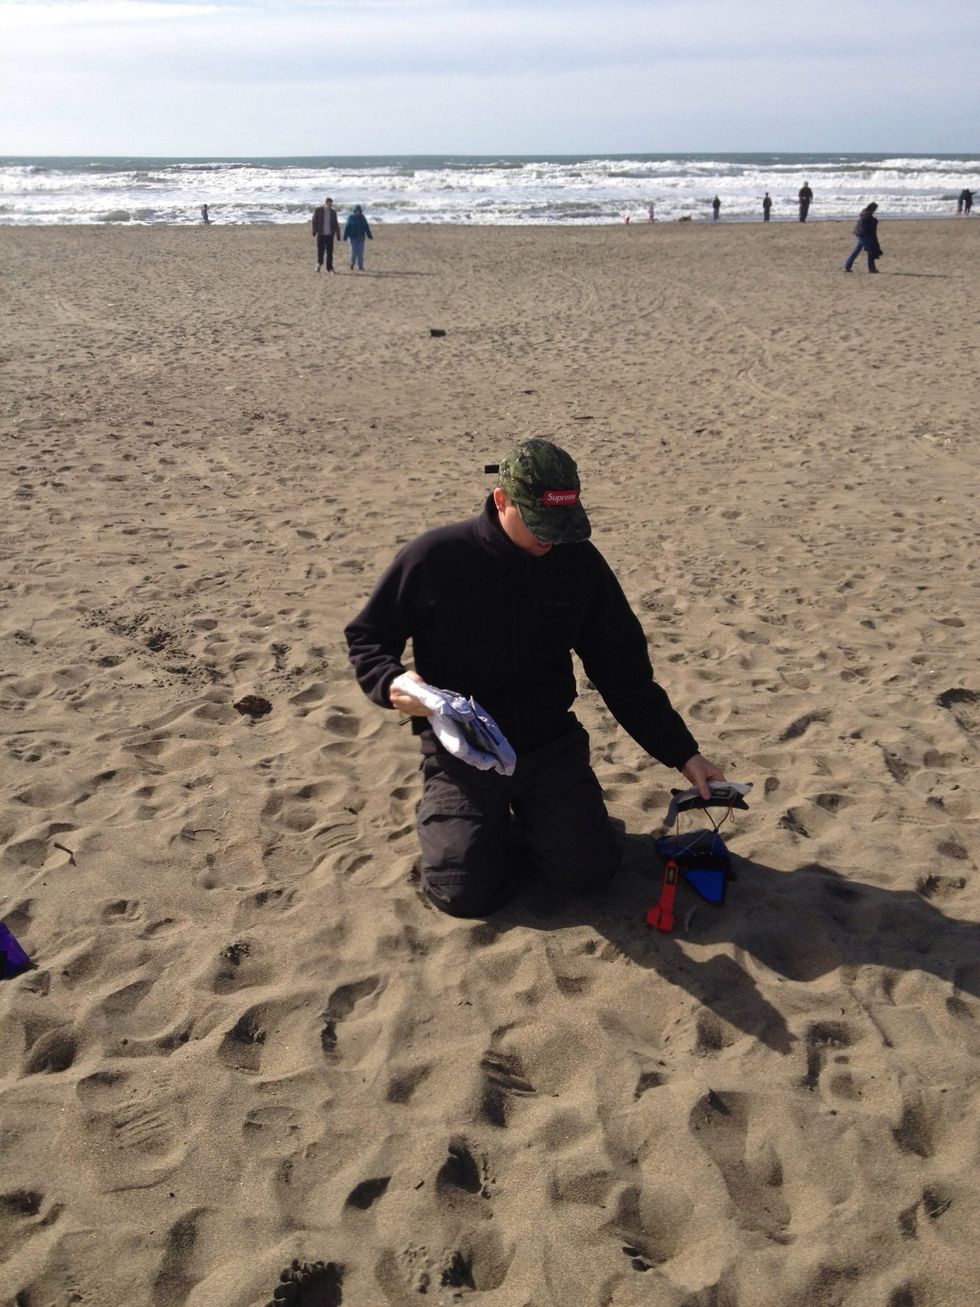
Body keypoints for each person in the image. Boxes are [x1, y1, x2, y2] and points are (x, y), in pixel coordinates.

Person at [344, 438, 726, 918]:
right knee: (462, 895)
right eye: (540, 525)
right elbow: (367, 640)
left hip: (549, 745)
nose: (552, 540)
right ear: (502, 501)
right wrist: (391, 683)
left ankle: (540, 818)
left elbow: (622, 671)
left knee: (590, 873)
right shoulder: (435, 557)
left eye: (563, 526)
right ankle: (472, 825)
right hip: (463, 752)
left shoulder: (578, 561)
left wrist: (684, 754)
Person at [844, 202, 882, 273]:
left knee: (856, 251)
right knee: (870, 251)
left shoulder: (864, 213)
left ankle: (847, 266)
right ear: (873, 209)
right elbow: (869, 230)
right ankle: (871, 269)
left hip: (859, 234)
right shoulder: (868, 217)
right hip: (863, 235)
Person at [312, 197, 341, 273]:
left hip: (330, 235)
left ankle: (330, 268)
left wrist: (338, 234)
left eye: (331, 204)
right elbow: (314, 220)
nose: (330, 206)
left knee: (330, 252)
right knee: (320, 251)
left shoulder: (333, 212)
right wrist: (314, 231)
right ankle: (319, 264)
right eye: (328, 204)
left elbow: (335, 223)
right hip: (321, 234)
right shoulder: (318, 210)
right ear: (325, 203)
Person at [342, 204, 373, 271]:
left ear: (360, 211)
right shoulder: (350, 217)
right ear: (354, 211)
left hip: (361, 237)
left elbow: (366, 227)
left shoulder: (362, 218)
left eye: (359, 211)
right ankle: (352, 263)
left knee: (360, 252)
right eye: (356, 211)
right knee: (353, 251)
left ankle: (360, 266)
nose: (357, 212)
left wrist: (369, 235)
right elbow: (347, 227)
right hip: (352, 237)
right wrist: (345, 236)